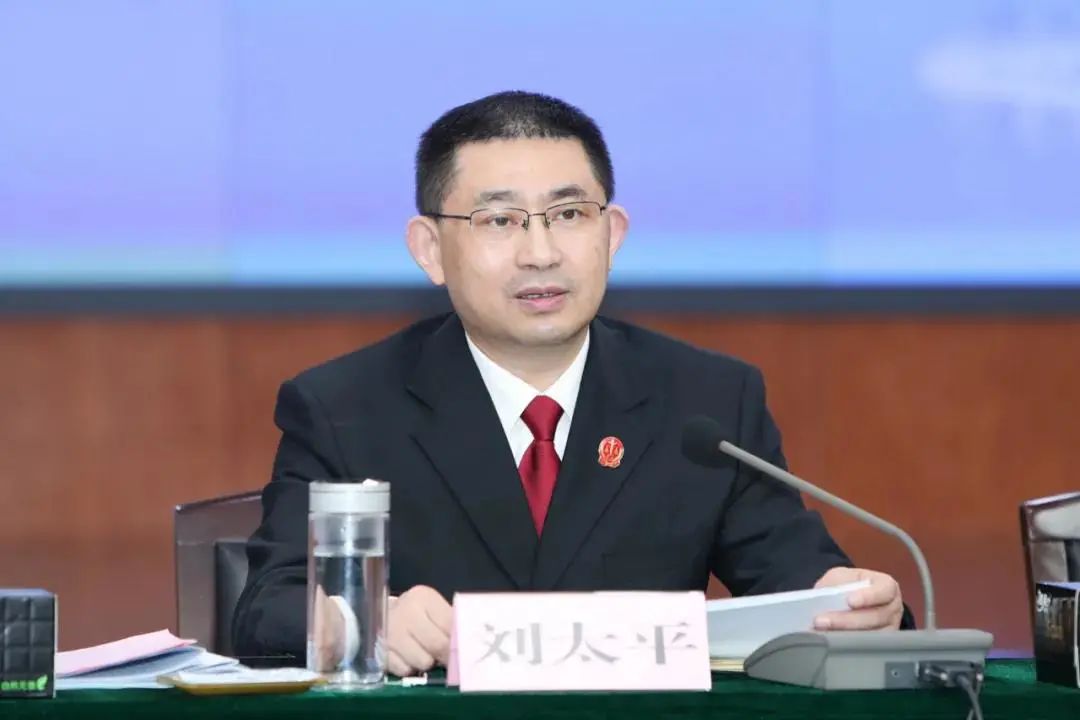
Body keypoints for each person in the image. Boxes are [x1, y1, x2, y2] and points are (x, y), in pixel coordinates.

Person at [232, 91, 909, 676]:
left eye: (569, 215)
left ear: (612, 234)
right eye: (500, 221)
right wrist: (366, 620)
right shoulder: (344, 408)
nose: (541, 253)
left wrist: (854, 604)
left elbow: (799, 581)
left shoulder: (706, 402)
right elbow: (267, 608)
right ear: (430, 250)